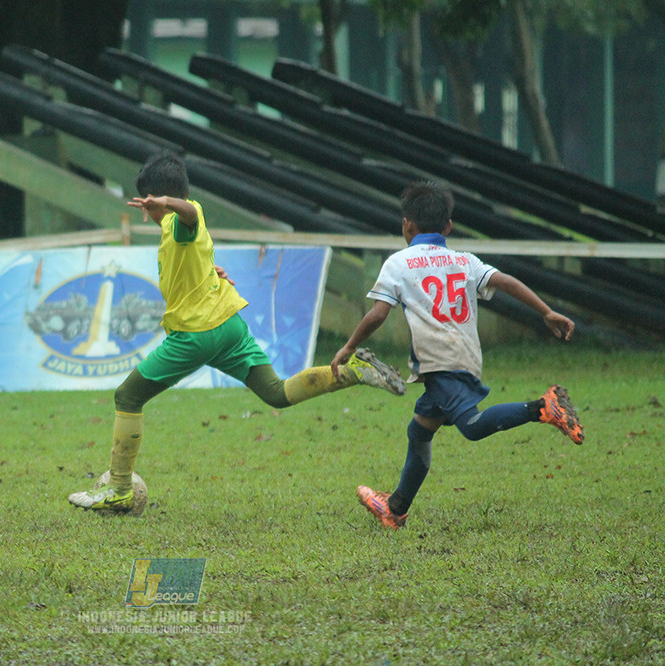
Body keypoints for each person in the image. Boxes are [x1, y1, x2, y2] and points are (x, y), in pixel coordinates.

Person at [68, 151, 406, 513]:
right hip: (228, 326)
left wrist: (167, 204)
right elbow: (192, 250)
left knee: (127, 397)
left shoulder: (177, 219)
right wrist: (211, 271)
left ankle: (119, 489)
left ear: (159, 200)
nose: (144, 212)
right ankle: (353, 371)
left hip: (197, 334)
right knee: (275, 393)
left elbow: (190, 214)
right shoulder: (183, 232)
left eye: (146, 205)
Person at [330, 180, 584, 530]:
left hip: (440, 362)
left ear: (406, 223)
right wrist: (546, 311)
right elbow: (505, 281)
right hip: (462, 357)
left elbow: (377, 314)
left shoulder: (398, 263)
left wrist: (348, 347)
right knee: (420, 431)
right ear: (448, 227)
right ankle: (396, 507)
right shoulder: (463, 260)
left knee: (472, 427)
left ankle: (542, 408)